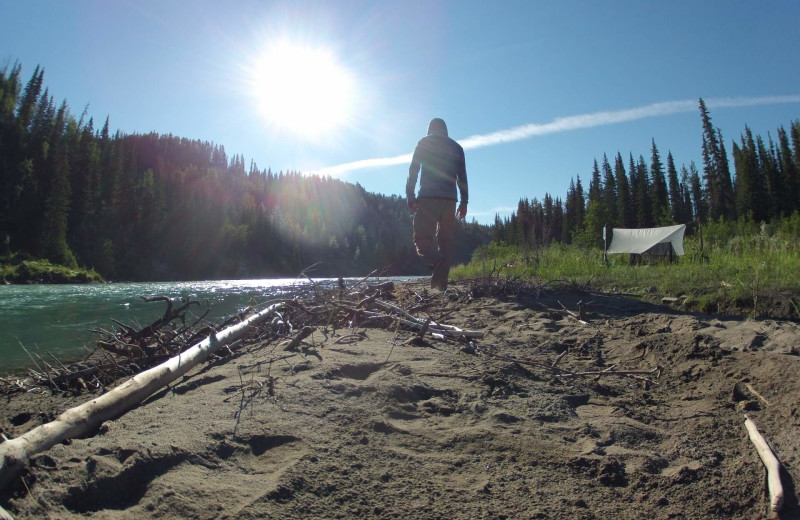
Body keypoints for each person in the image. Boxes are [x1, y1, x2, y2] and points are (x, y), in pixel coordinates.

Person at [406, 118, 468, 291]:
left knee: (422, 238)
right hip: (450, 201)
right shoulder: (457, 148)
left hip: (428, 197)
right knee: (446, 241)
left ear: (430, 129)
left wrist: (410, 196)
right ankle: (440, 288)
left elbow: (413, 170)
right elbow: (462, 178)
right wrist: (464, 202)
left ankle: (436, 261)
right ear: (445, 130)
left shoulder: (423, 143)